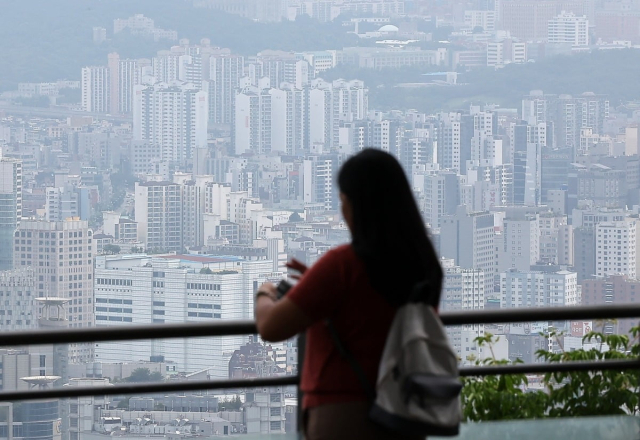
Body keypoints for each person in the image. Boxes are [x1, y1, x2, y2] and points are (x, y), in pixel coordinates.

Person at [254, 148, 443, 440]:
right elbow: (368, 307)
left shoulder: (343, 265)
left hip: (343, 416)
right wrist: (315, 285)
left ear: (356, 206)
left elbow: (270, 327)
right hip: (404, 412)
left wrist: (264, 292)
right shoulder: (423, 264)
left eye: (343, 201)